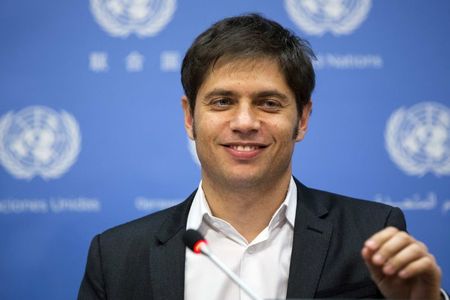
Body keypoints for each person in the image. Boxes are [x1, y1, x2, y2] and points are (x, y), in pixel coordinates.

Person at [78, 14, 446, 300]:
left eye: (268, 103)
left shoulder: (372, 233)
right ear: (190, 118)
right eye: (222, 102)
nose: (244, 122)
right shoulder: (116, 256)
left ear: (301, 120)